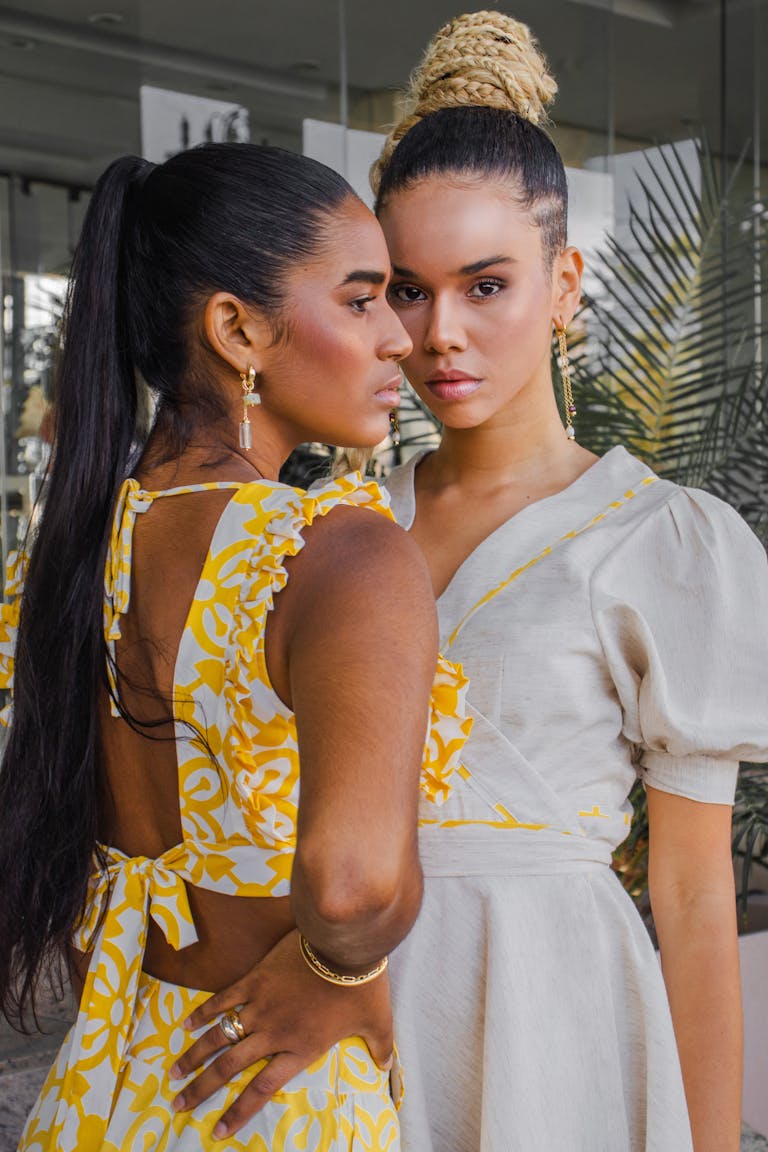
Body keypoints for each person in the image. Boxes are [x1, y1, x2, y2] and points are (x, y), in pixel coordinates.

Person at [168, 12, 768, 1152]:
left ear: (565, 281)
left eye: (485, 284)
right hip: (324, 1036)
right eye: (403, 289)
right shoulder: (326, 530)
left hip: (549, 1026)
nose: (439, 332)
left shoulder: (664, 541)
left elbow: (693, 903)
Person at [0, 141, 471, 1151]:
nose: (402, 340)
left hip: (115, 1080)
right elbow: (355, 887)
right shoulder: (341, 556)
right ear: (236, 329)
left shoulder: (79, 552)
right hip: (272, 1087)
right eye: (361, 300)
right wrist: (339, 972)